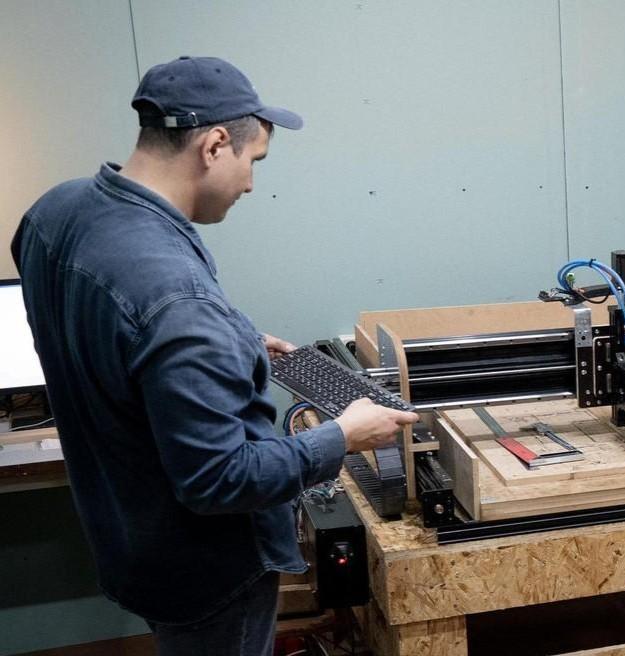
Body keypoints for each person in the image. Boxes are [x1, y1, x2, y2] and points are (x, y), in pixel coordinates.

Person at [10, 56, 418, 655]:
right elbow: (219, 478)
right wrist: (342, 436)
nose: (250, 184)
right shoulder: (177, 298)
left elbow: (104, 328)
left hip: (127, 534)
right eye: (254, 161)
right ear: (215, 145)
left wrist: (228, 344)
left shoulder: (57, 211)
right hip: (205, 572)